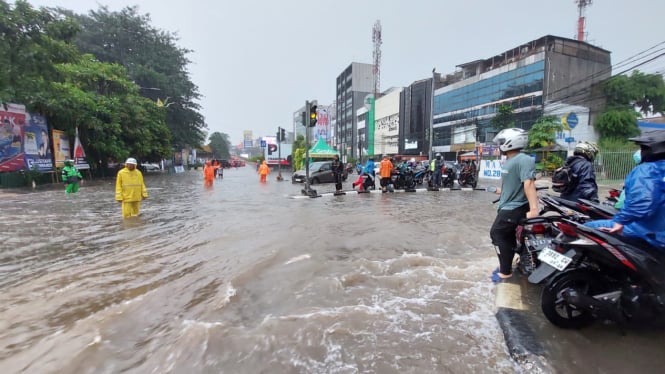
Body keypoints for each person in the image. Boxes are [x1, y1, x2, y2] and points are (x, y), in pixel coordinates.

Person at [584, 132, 665, 250]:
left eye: (642, 148)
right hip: (657, 232)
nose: (640, 152)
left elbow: (643, 201)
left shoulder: (647, 169)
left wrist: (620, 221)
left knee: (585, 228)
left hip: (646, 231)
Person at [489, 128, 539, 282]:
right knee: (506, 235)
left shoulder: (524, 159)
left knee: (496, 233)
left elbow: (528, 184)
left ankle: (505, 272)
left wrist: (534, 209)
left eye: (501, 143)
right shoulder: (510, 160)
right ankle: (509, 265)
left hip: (514, 208)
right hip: (507, 205)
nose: (499, 146)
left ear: (511, 142)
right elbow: (514, 184)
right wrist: (500, 191)